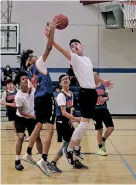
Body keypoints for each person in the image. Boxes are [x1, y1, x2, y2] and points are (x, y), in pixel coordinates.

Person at [45, 27, 113, 165]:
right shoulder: (74, 58)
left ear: (82, 46)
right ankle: (70, 149)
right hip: (85, 93)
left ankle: (74, 149)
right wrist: (50, 37)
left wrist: (102, 81)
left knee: (84, 124)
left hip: (92, 93)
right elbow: (58, 47)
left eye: (76, 44)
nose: (74, 46)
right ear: (72, 51)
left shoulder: (87, 59)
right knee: (83, 124)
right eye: (72, 46)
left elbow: (92, 74)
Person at [19, 20, 58, 176]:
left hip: (38, 99)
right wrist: (52, 32)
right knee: (50, 129)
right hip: (46, 98)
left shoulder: (29, 74)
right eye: (32, 56)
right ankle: (43, 159)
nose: (36, 56)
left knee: (38, 125)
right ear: (29, 61)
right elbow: (49, 48)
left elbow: (29, 90)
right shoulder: (39, 64)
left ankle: (28, 152)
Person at [49, 74, 88, 173]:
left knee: (75, 139)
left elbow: (71, 108)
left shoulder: (71, 93)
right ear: (60, 83)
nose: (66, 80)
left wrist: (72, 118)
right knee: (67, 144)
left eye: (67, 79)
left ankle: (76, 162)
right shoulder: (61, 95)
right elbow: (63, 112)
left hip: (67, 119)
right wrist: (76, 118)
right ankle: (53, 163)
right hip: (61, 120)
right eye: (63, 80)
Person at [14, 71, 42, 171]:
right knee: (21, 137)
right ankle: (17, 160)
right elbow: (21, 112)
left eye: (26, 78)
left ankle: (43, 160)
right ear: (19, 83)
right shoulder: (18, 96)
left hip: (31, 117)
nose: (25, 80)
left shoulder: (34, 90)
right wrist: (33, 116)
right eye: (23, 79)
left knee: (37, 137)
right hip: (21, 118)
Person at [93, 72, 114, 156]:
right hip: (95, 111)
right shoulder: (90, 86)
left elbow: (107, 97)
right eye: (94, 75)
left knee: (111, 128)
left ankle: (103, 139)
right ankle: (100, 148)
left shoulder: (103, 86)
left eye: (97, 75)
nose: (96, 76)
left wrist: (105, 98)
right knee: (99, 129)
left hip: (104, 109)